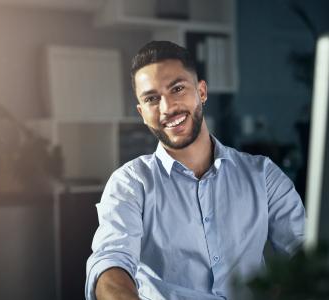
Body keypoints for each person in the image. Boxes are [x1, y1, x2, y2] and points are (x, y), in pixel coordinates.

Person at [85, 41, 305, 300]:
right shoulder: (129, 184)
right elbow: (111, 264)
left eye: (177, 89)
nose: (167, 108)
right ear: (142, 113)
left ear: (201, 92)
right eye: (152, 99)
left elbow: (305, 250)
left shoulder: (262, 175)